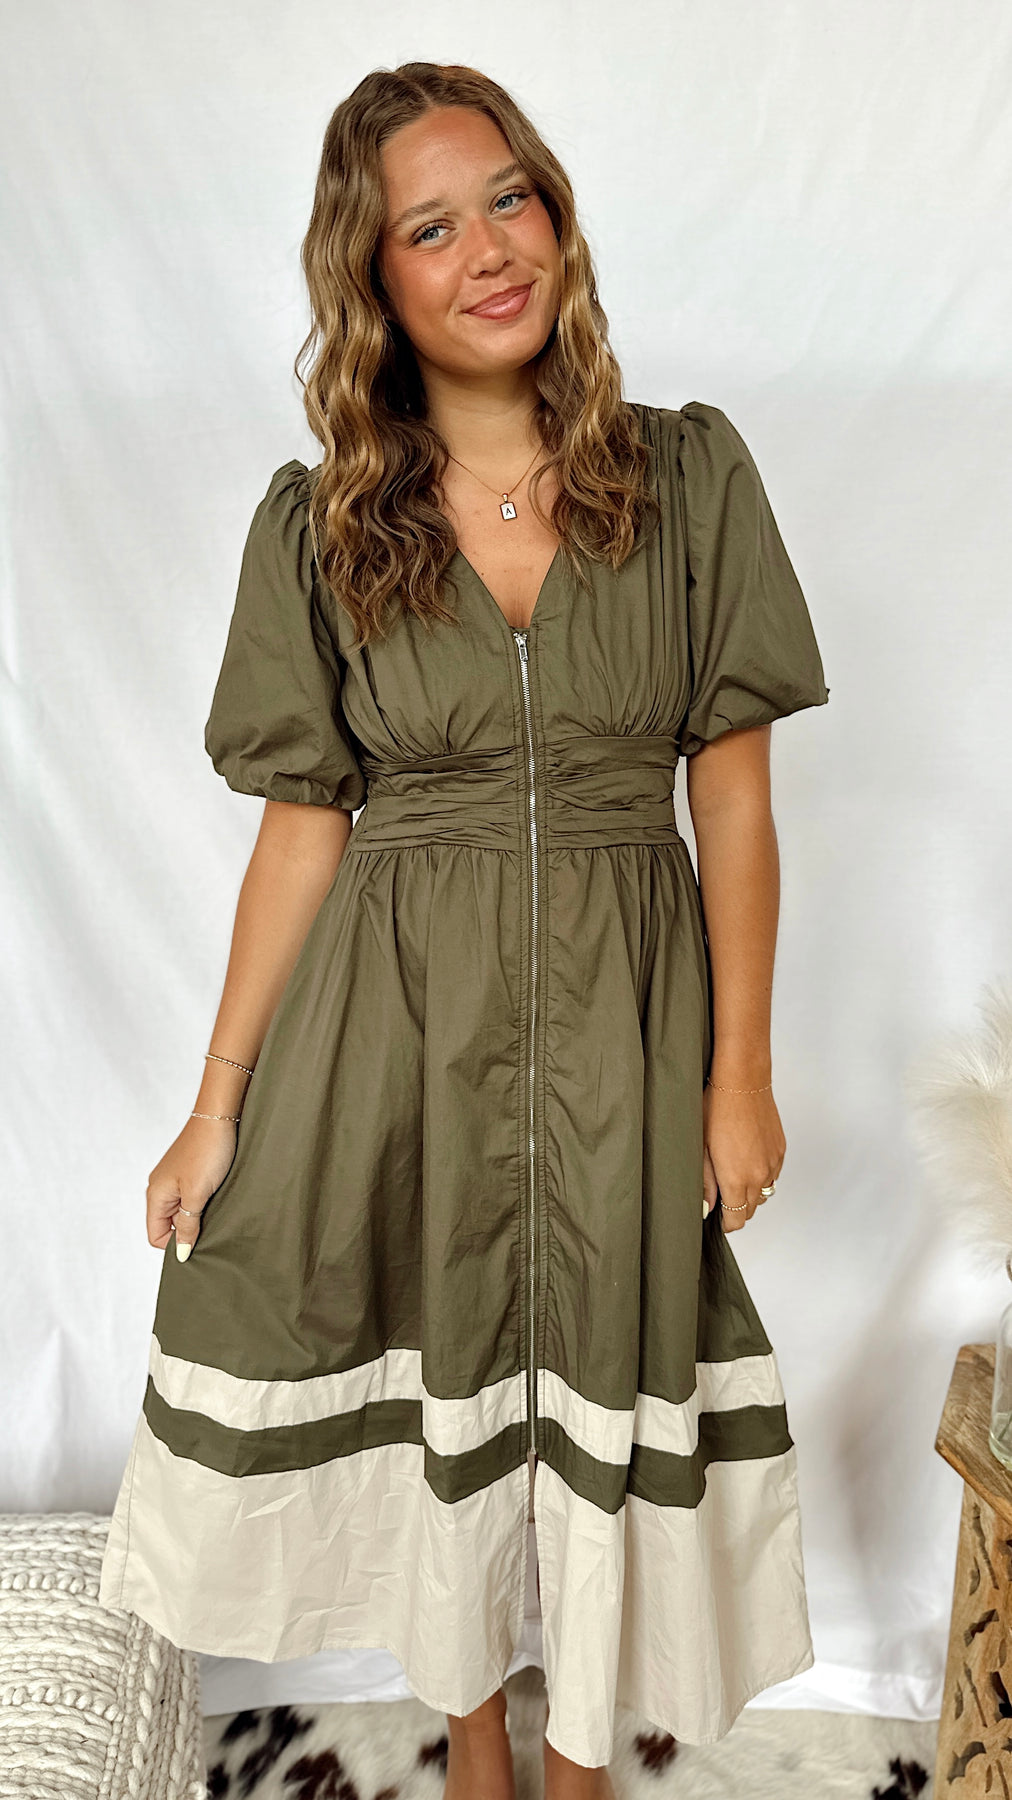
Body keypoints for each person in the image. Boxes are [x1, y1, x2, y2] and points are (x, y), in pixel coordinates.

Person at [99, 60, 830, 1800]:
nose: (491, 250)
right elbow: (304, 829)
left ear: (558, 216)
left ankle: (581, 1766)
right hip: (396, 1029)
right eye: (431, 228)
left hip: (624, 1021)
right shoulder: (323, 524)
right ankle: (477, 1750)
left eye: (511, 199)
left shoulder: (689, 477)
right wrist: (215, 1102)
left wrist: (740, 1071)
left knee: (603, 1376)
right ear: (376, 281)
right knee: (443, 1387)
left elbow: (733, 802)